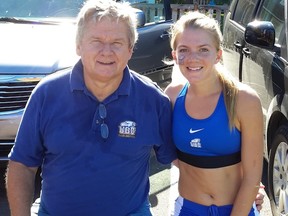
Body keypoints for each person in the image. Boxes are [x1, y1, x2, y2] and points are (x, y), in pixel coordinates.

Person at [5, 0, 177, 215]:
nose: (107, 51)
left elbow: (181, 161)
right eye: (96, 41)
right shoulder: (46, 94)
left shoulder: (153, 100)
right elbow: (22, 164)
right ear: (78, 46)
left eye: (117, 42)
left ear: (130, 49)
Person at [165, 11, 264, 216]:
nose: (192, 58)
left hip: (238, 208)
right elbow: (168, 151)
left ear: (218, 55)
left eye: (203, 49)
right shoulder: (172, 97)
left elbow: (253, 175)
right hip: (188, 209)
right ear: (175, 56)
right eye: (184, 49)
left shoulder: (244, 100)